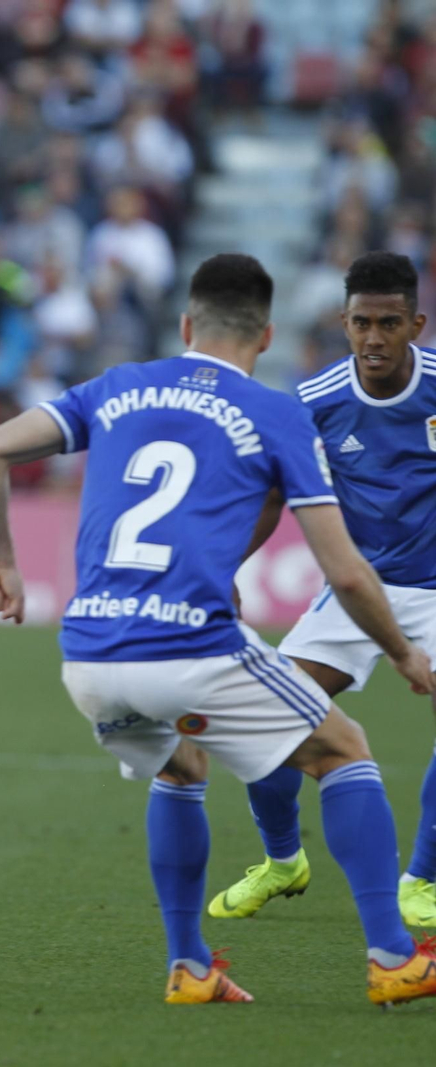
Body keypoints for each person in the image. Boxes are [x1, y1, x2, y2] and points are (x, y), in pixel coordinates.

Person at [0, 252, 436, 1006]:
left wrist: (0, 561)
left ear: (185, 325)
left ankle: (188, 966)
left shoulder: (114, 385)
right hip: (188, 644)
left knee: (181, 767)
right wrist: (403, 652)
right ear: (267, 335)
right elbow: (347, 574)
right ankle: (392, 958)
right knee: (343, 750)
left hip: (88, 653)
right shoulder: (277, 410)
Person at [210, 251, 436, 928]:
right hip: (357, 590)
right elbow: (271, 495)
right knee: (270, 720)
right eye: (362, 323)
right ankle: (283, 861)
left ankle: (422, 880)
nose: (374, 337)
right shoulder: (315, 401)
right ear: (344, 322)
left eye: (389, 323)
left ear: (416, 324)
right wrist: (222, 567)